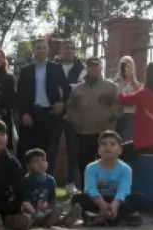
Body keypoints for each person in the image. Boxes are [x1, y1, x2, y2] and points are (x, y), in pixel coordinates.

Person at [64, 57, 121, 188]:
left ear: (101, 68)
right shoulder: (77, 89)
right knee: (85, 165)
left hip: (104, 135)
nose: (93, 68)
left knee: (106, 163)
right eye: (90, 66)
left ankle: (107, 194)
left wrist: (108, 116)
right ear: (86, 69)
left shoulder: (111, 87)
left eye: (96, 66)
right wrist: (76, 120)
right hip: (83, 133)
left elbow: (119, 107)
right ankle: (87, 193)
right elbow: (70, 108)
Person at [16, 38, 70, 172]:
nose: (41, 50)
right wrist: (23, 113)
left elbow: (67, 89)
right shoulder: (26, 71)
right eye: (38, 48)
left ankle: (48, 184)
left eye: (43, 47)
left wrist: (62, 104)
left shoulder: (56, 68)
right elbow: (20, 95)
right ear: (34, 50)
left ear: (48, 50)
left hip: (50, 114)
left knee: (49, 152)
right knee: (26, 151)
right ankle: (25, 185)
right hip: (31, 115)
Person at [74, 130, 143, 227]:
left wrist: (115, 205)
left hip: (117, 202)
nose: (108, 147)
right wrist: (102, 204)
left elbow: (124, 190)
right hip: (97, 201)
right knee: (77, 199)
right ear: (98, 150)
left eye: (112, 144)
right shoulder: (91, 168)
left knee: (140, 199)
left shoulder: (125, 169)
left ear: (120, 150)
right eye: (104, 144)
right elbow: (90, 189)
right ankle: (114, 218)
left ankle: (100, 217)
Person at [118, 61, 153, 157]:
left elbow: (125, 100)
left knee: (118, 153)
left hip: (144, 143)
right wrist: (133, 80)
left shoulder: (146, 94)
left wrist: (122, 84)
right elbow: (140, 95)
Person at [54, 39, 86, 194]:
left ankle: (70, 182)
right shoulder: (53, 67)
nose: (69, 50)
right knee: (51, 147)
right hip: (53, 112)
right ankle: (48, 180)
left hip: (73, 114)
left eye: (72, 48)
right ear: (60, 50)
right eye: (66, 48)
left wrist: (64, 104)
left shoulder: (82, 69)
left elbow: (78, 92)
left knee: (73, 148)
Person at [22, 148, 76, 227]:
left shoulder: (51, 180)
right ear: (28, 166)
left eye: (43, 161)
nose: (41, 164)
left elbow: (52, 199)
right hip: (33, 212)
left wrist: (49, 208)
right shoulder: (26, 181)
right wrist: (30, 208)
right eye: (36, 161)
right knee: (36, 216)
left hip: (46, 210)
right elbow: (25, 199)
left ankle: (64, 220)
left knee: (55, 211)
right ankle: (57, 221)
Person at [115, 56, 140, 144]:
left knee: (127, 141)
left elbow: (141, 96)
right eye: (123, 64)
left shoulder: (136, 84)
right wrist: (122, 82)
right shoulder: (114, 82)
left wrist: (132, 80)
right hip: (117, 115)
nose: (126, 68)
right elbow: (115, 97)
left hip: (131, 115)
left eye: (129, 64)